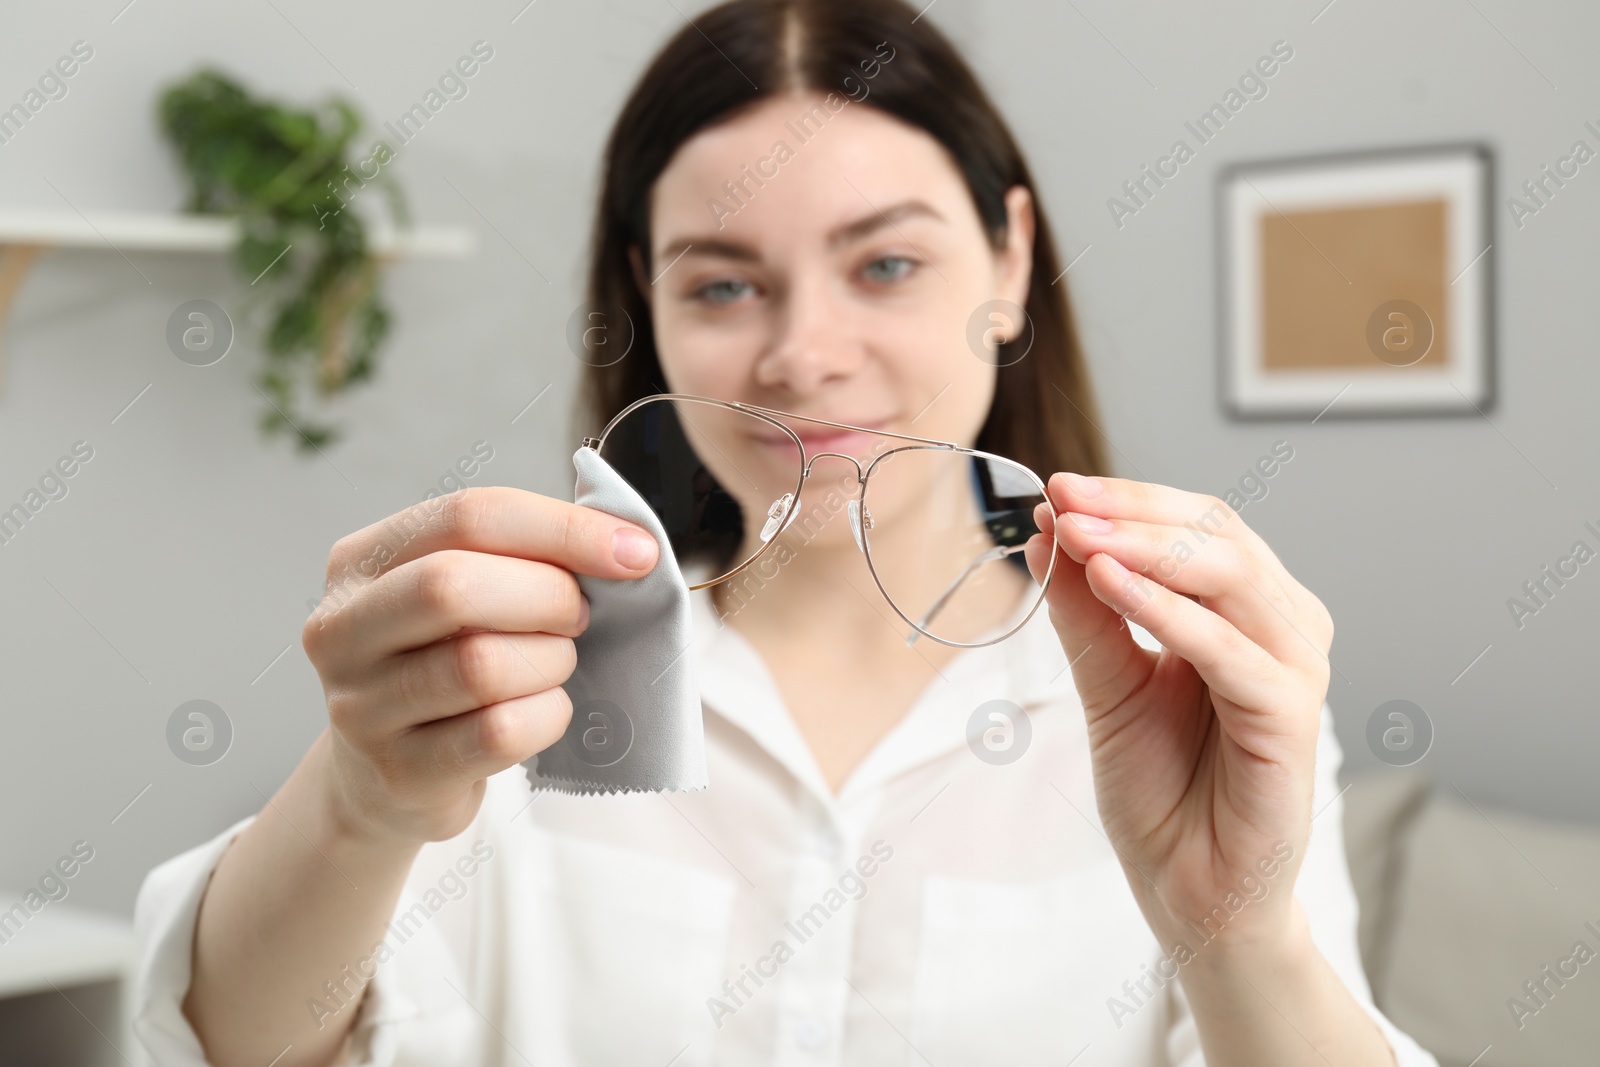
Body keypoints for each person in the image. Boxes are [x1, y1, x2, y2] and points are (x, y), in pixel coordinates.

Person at [132, 1, 1439, 1064]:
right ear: (649, 303)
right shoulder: (516, 691)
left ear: (1008, 261)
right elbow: (223, 1044)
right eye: (723, 282)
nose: (804, 356)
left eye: (885, 264)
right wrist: (362, 802)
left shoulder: (1190, 701)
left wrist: (1236, 937)